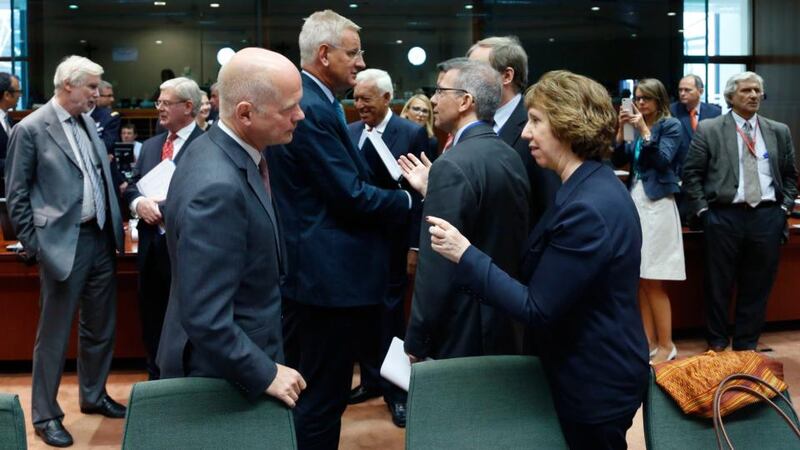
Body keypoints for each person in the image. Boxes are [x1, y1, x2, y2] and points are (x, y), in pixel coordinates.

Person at [423, 70, 648, 449]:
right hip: (588, 369)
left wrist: (465, 254)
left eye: (536, 121)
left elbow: (537, 307)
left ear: (568, 124)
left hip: (594, 380)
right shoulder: (585, 184)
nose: (526, 133)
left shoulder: (587, 207)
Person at [266, 10, 416, 449]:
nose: (361, 61)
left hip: (323, 278)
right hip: (325, 283)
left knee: (322, 395)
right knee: (321, 399)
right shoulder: (310, 106)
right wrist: (407, 200)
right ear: (324, 53)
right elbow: (348, 196)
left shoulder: (319, 100)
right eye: (353, 53)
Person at [156, 48, 307, 408]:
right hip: (223, 378)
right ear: (245, 113)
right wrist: (265, 371)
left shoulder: (216, 149)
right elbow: (206, 317)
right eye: (289, 108)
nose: (300, 115)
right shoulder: (218, 187)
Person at [4, 55, 126, 448]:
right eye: (91, 87)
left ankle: (93, 395)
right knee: (54, 335)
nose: (97, 94)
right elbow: (17, 194)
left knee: (100, 328)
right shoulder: (32, 128)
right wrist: (36, 245)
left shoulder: (88, 121)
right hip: (61, 245)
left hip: (100, 239)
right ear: (67, 85)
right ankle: (45, 414)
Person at [401, 59, 530, 361]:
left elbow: (436, 266)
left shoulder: (452, 164)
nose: (432, 99)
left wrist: (417, 338)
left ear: (465, 101)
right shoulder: (508, 154)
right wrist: (434, 191)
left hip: (462, 325)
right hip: (503, 313)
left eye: (441, 91)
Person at [683, 71, 797, 352]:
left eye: (758, 90)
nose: (754, 95)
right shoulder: (710, 129)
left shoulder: (778, 131)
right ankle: (718, 343)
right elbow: (691, 174)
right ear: (731, 96)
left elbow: (790, 176)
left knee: (758, 286)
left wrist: (783, 209)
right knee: (718, 285)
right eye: (747, 90)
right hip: (723, 216)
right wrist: (703, 212)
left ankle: (746, 345)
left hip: (766, 216)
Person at [345, 68, 428, 427]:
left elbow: (422, 195)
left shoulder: (411, 133)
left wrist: (414, 247)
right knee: (362, 316)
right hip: (356, 247)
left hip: (394, 244)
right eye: (355, 97)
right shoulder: (349, 133)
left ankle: (398, 392)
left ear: (386, 97)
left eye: (365, 98)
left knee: (391, 318)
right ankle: (371, 381)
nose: (358, 104)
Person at [122, 76, 204, 380]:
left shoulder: (206, 146)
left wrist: (163, 209)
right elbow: (131, 186)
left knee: (186, 325)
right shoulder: (152, 145)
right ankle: (154, 383)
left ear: (188, 106)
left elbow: (205, 196)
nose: (159, 108)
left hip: (187, 251)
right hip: (150, 253)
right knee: (152, 322)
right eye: (158, 102)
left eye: (166, 103)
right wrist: (138, 203)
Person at [612, 78, 685, 363]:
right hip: (637, 201)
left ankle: (667, 344)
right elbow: (619, 160)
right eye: (637, 98)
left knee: (654, 279)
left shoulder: (671, 126)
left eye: (646, 99)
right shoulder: (635, 125)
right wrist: (622, 129)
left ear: (659, 100)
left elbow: (663, 161)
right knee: (640, 279)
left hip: (659, 205)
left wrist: (643, 128)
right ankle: (649, 342)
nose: (640, 103)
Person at [467, 35, 560, 230]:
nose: (466, 79)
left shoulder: (537, 126)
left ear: (506, 76)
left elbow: (549, 205)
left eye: (475, 70)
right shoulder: (474, 123)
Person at [670, 74, 722, 157]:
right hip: (680, 164)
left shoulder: (714, 112)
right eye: (680, 90)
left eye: (687, 90)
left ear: (700, 91)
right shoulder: (672, 111)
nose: (682, 93)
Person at [0, 72, 21, 195]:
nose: (20, 95)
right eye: (18, 91)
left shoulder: (8, 118)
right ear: (7, 95)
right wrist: (19, 162)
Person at [400, 94, 438, 161]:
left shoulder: (432, 142)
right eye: (416, 109)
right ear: (406, 111)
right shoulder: (396, 134)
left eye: (425, 111)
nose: (421, 114)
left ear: (429, 116)